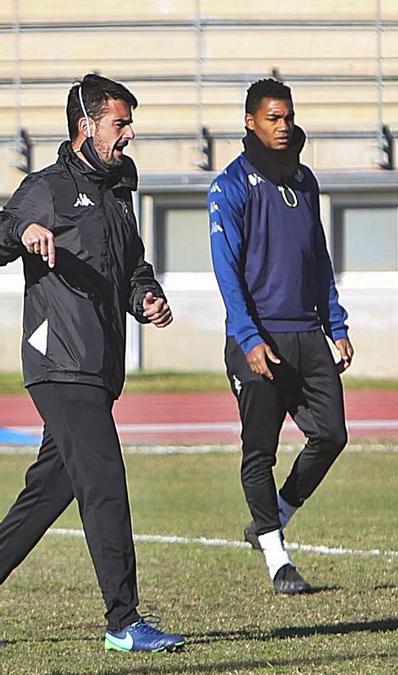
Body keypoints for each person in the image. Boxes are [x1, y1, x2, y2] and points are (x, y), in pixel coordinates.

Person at [0, 74, 184, 652]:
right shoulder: (47, 189)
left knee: (49, 491)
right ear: (87, 125)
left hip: (100, 364)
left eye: (129, 123)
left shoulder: (119, 184)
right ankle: (124, 622)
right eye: (119, 123)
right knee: (105, 482)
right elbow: (4, 229)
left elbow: (129, 264)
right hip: (59, 361)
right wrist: (24, 229)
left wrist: (144, 297)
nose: (128, 134)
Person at [209, 78, 354, 595]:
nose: (283, 125)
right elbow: (226, 272)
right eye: (273, 117)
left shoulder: (305, 180)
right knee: (259, 453)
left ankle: (276, 514)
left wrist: (335, 323)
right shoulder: (229, 187)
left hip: (307, 334)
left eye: (288, 116)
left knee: (332, 434)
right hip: (258, 340)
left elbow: (318, 257)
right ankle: (278, 562)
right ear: (250, 121)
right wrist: (248, 338)